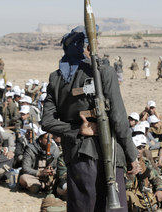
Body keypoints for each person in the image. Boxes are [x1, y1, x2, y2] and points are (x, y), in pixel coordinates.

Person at [41, 26, 138, 212]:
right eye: (93, 43)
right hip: (109, 153)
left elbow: (47, 121)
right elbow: (118, 118)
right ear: (85, 46)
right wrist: (131, 155)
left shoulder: (56, 78)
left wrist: (75, 131)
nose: (97, 47)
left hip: (77, 155)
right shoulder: (104, 72)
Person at [125, 134, 162, 211]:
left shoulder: (145, 162)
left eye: (142, 148)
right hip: (132, 194)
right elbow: (123, 186)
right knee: (129, 196)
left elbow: (156, 178)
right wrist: (131, 174)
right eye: (137, 147)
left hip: (143, 193)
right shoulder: (124, 163)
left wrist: (160, 190)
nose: (139, 150)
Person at [19, 127, 60, 193]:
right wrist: (40, 173)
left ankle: (40, 186)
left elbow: (58, 167)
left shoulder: (55, 149)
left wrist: (53, 171)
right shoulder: (30, 149)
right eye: (47, 139)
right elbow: (25, 168)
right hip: (35, 176)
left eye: (51, 139)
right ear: (40, 140)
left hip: (49, 177)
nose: (50, 141)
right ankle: (42, 186)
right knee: (23, 178)